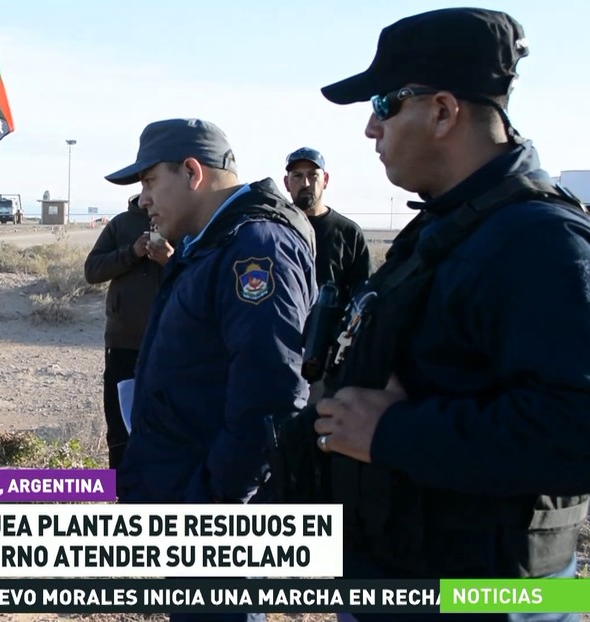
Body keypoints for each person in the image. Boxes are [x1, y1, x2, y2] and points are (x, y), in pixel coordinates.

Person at [314, 8, 590, 622]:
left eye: (385, 103)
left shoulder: (540, 242)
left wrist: (394, 433)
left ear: (443, 111)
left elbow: (577, 428)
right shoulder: (450, 227)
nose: (370, 128)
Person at [106, 119, 316, 622]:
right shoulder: (212, 244)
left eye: (150, 182)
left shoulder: (256, 247)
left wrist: (214, 501)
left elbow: (272, 394)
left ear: (193, 172)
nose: (142, 201)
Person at [83, 193, 171, 469]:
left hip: (171, 346)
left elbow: (201, 273)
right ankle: (122, 497)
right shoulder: (121, 224)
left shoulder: (183, 221)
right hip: (124, 345)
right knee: (121, 429)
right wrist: (132, 252)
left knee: (167, 427)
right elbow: (92, 270)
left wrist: (171, 259)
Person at [282, 147, 371, 299]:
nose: (306, 183)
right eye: (297, 175)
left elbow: (363, 294)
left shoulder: (349, 233)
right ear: (286, 183)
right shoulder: (276, 229)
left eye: (313, 175)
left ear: (325, 180)